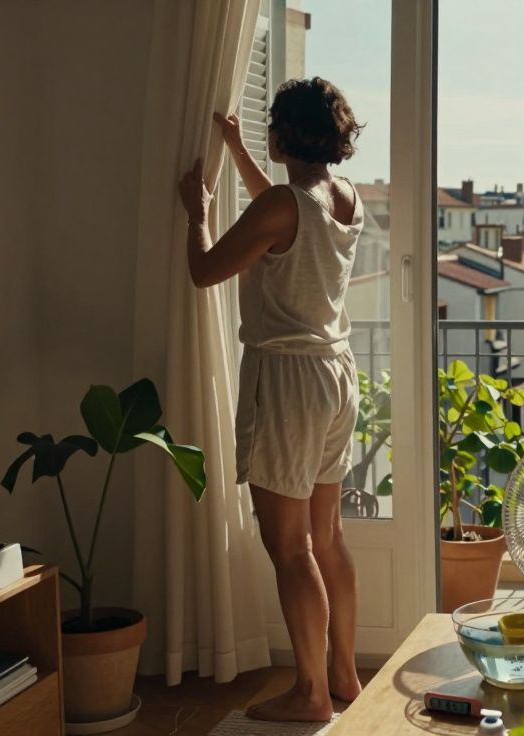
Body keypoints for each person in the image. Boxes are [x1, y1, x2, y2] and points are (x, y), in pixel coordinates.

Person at [176, 77, 366, 722]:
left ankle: (310, 695)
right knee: (328, 538)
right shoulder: (342, 196)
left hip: (286, 381)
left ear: (284, 133)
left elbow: (206, 271)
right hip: (337, 374)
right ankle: (342, 674)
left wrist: (197, 215)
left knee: (290, 548)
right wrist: (234, 149)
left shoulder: (283, 205)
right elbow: (280, 210)